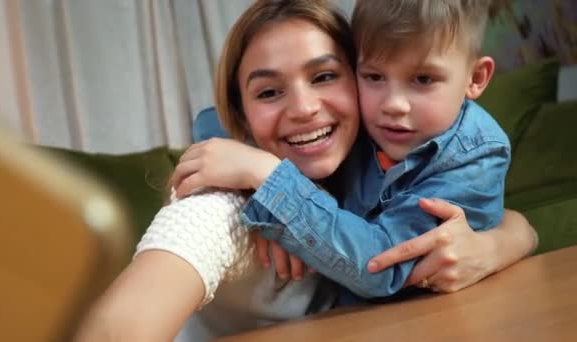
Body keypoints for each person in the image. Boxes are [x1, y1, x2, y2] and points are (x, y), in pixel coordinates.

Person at [75, 1, 537, 341]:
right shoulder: (224, 203)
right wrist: (266, 177)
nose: (304, 109)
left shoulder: (381, 143)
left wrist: (502, 241)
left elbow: (502, 221)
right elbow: (117, 329)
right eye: (269, 92)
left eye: (323, 76)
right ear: (240, 113)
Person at [173, 0, 511, 301]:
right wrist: (253, 183)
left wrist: (270, 181)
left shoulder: (474, 156)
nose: (392, 104)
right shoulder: (367, 116)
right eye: (374, 76)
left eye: (423, 79)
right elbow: (211, 121)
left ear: (476, 78)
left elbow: (381, 266)